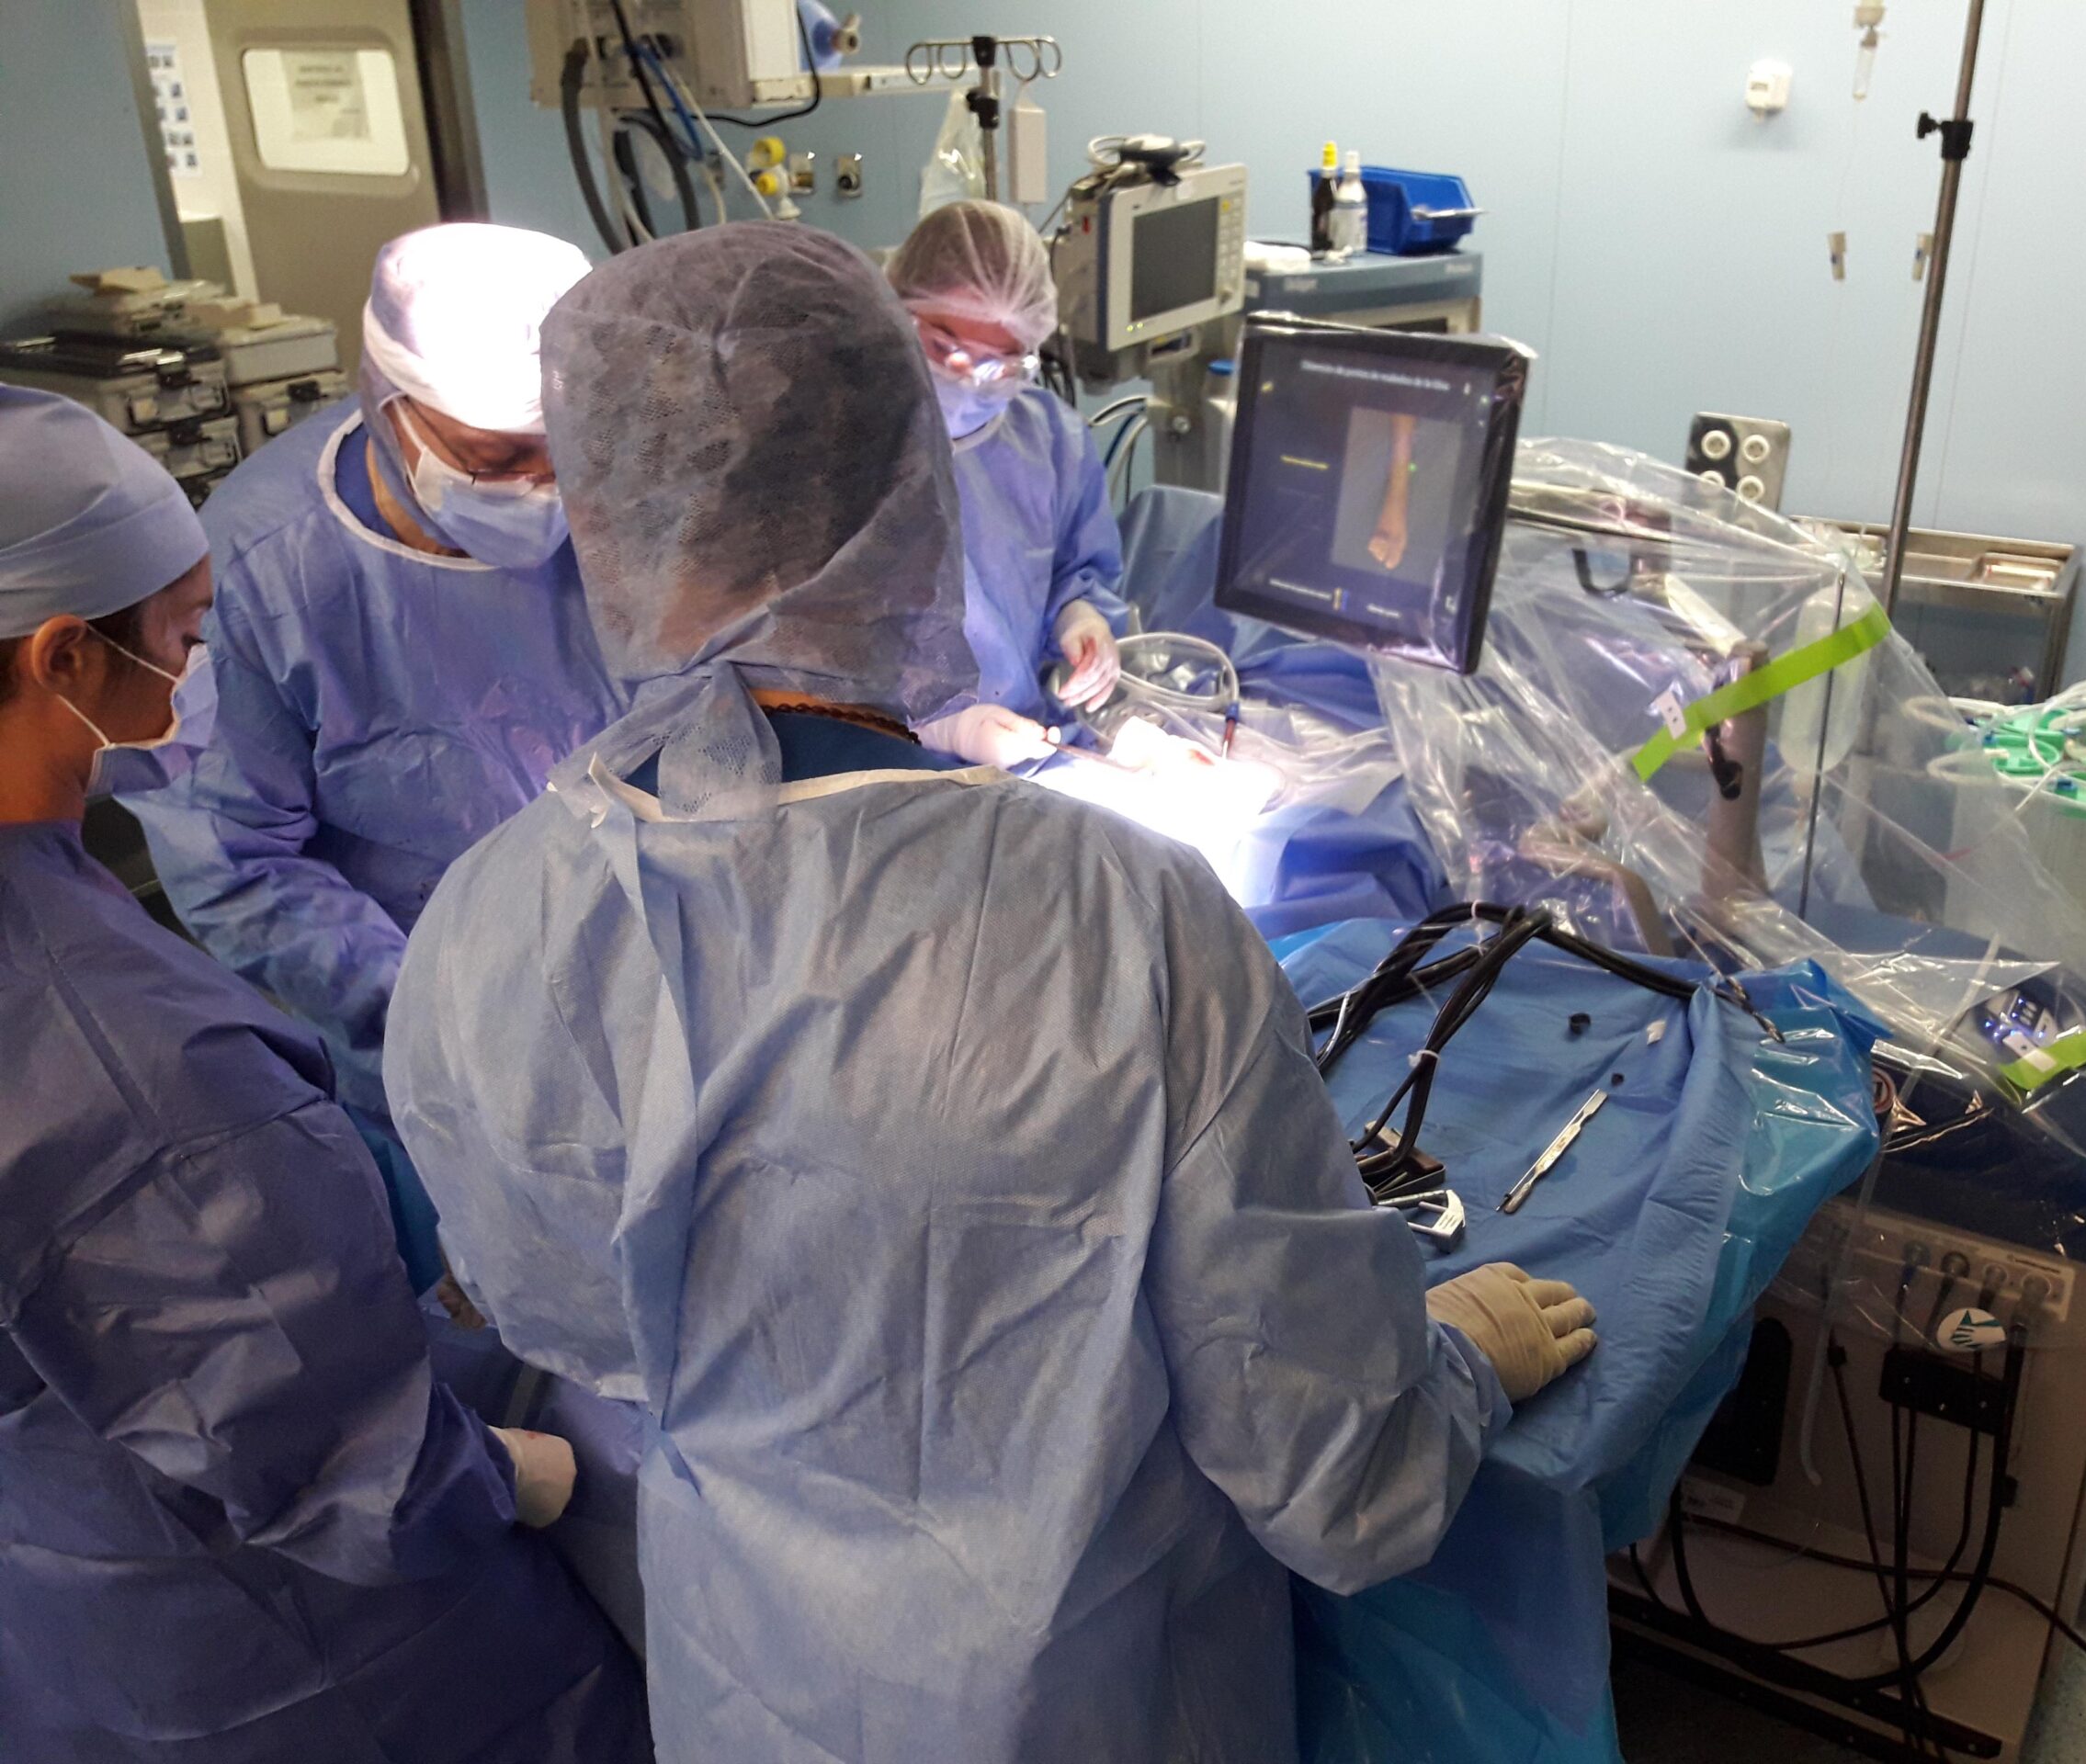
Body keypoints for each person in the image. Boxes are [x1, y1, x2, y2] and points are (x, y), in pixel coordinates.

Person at [384, 222, 1597, 1764]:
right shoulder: (1127, 919)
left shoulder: (498, 916)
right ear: (921, 496)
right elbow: (1332, 1474)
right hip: (1094, 1699)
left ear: (606, 509)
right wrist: (1459, 1367)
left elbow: (571, 1320)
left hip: (747, 1687)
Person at [0, 386, 654, 1763]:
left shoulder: (54, 904)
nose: (198, 677)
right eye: (185, 638)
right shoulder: (130, 1068)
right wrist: (509, 1474)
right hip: (272, 1642)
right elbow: (345, 1468)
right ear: (62, 657)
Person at [128, 221, 624, 1292]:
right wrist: (447, 1021)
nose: (548, 488)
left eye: (569, 450)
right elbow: (233, 857)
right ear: (391, 406)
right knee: (494, 1297)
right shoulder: (263, 571)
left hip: (634, 983)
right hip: (421, 1023)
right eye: (501, 459)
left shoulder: (623, 508)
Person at [888, 198, 1128, 769]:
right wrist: (945, 727)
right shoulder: (831, 442)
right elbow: (792, 652)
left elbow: (1074, 569)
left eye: (999, 365)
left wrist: (1079, 618)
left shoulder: (1050, 440)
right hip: (873, 765)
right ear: (894, 308)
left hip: (1022, 746)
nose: (968, 379)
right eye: (944, 348)